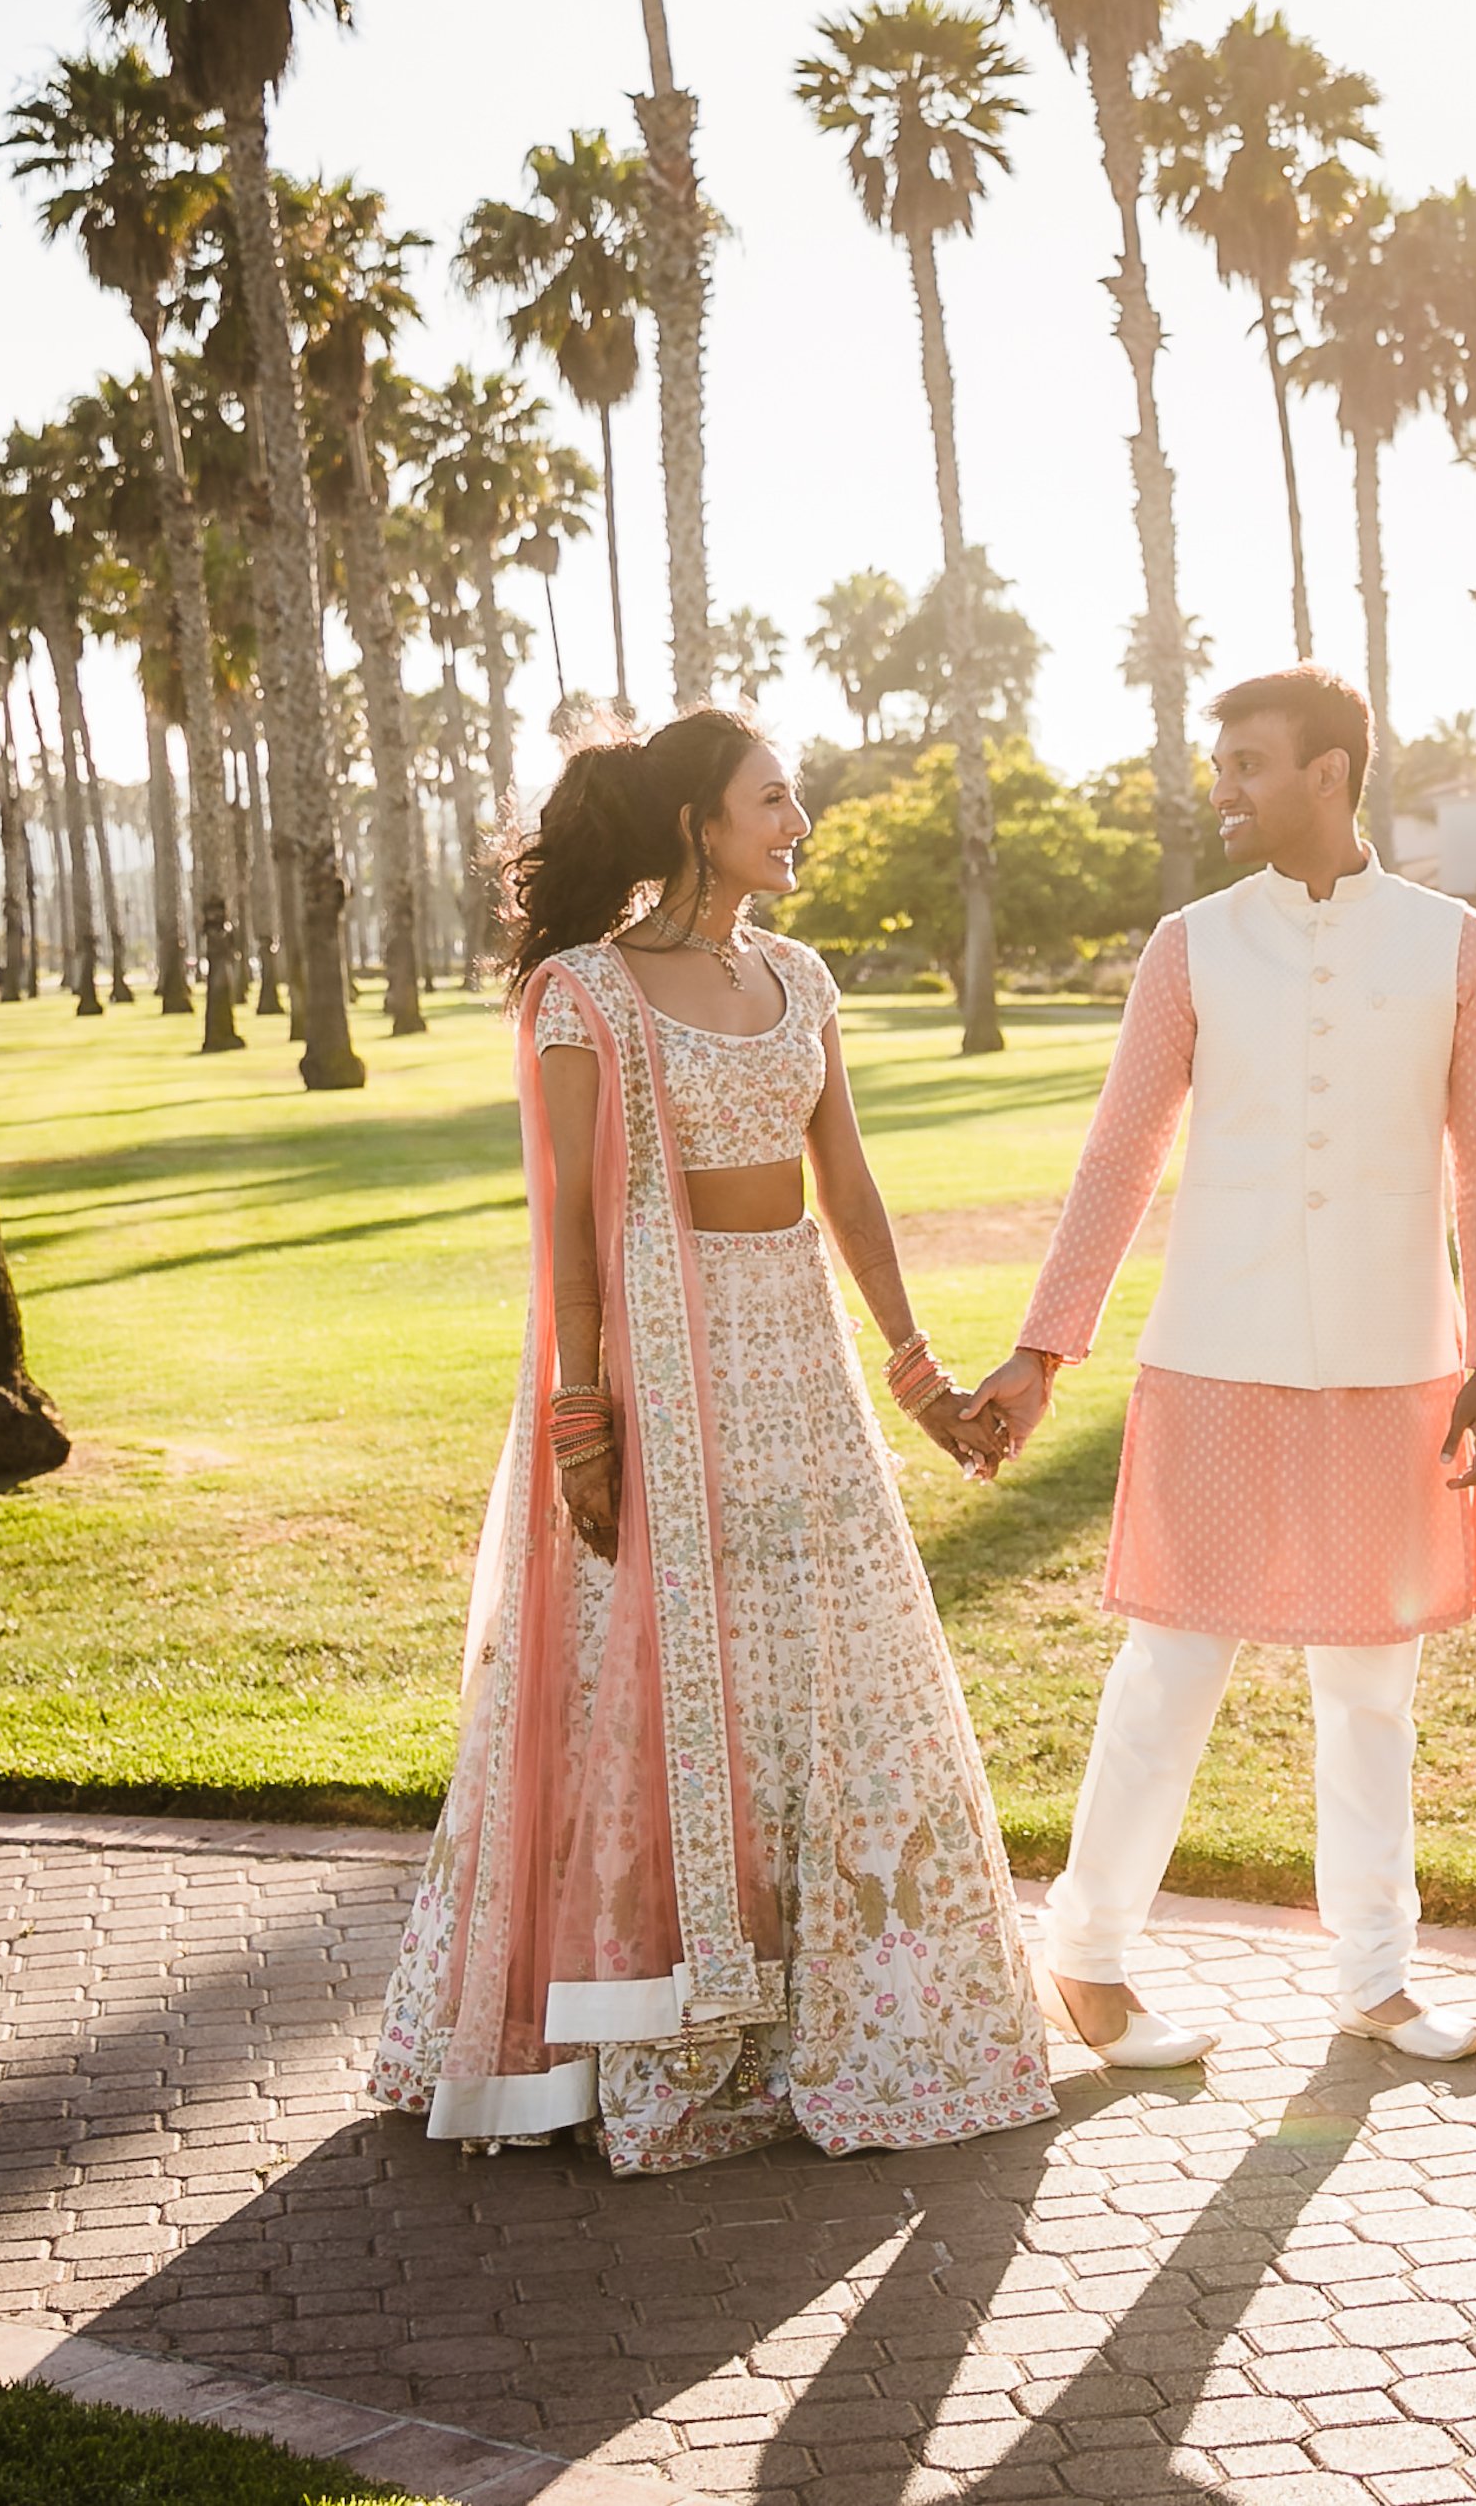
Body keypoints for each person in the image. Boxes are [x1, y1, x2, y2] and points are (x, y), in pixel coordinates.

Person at [373, 710, 1052, 2175]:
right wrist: (581, 1413)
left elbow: (850, 1187)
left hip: (796, 1358)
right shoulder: (585, 997)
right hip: (662, 1382)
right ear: (696, 821)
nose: (798, 816)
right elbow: (567, 1222)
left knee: (827, 1662)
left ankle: (847, 2017)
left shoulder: (798, 979)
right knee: (674, 1676)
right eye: (773, 796)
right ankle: (650, 2030)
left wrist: (922, 1379)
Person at [968, 666, 1476, 2069]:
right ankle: (1087, 1961)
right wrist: (1045, 1349)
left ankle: (1375, 1978)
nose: (1219, 788)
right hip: (1216, 1356)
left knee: (1371, 1687)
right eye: (1218, 763)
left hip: (1394, 1362)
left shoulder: (1457, 946)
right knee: (1172, 1667)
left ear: (1331, 774)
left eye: (1245, 763)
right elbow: (1121, 1154)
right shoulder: (1192, 945)